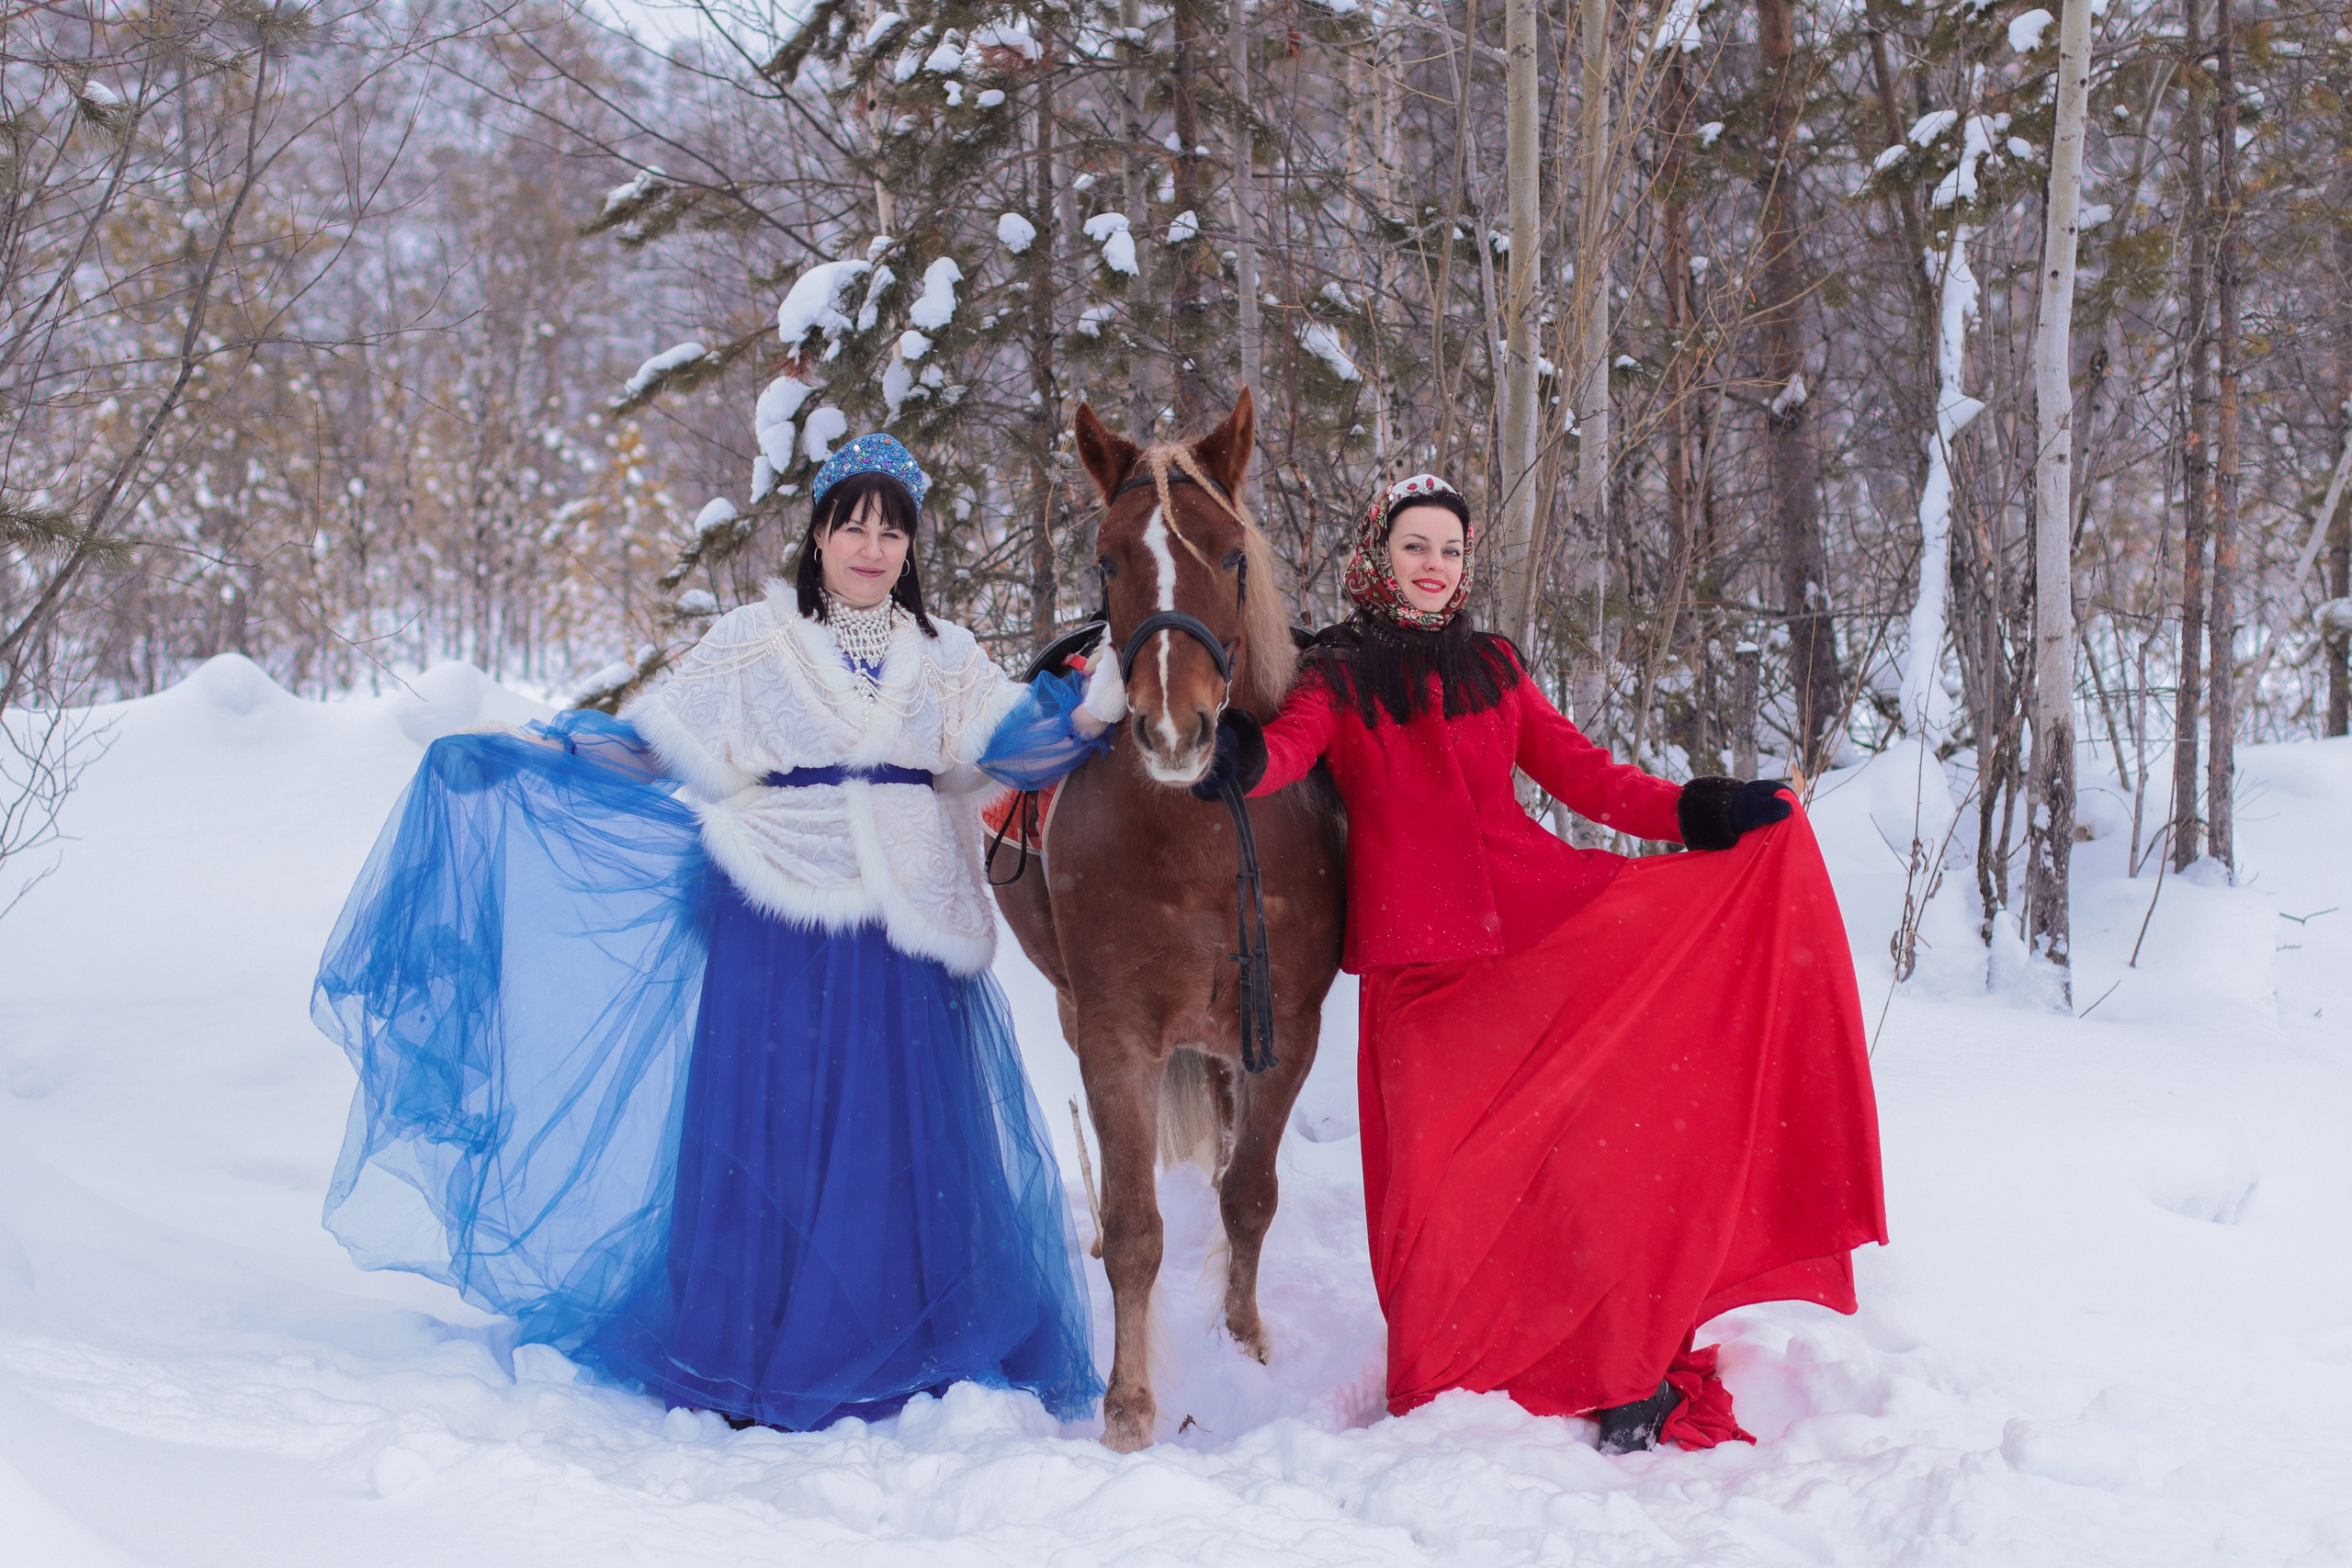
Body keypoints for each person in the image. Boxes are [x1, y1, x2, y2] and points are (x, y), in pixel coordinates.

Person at [315, 434, 1122, 1431]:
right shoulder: (752, 640)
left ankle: (906, 1342)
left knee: (900, 1139)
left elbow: (1016, 745)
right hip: (777, 916)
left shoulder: (946, 656)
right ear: (818, 533)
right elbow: (654, 744)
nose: (871, 546)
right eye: (851, 523)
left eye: (892, 529)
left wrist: (1096, 707)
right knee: (776, 1127)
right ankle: (762, 1341)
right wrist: (540, 749)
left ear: (911, 547)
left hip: (905, 926)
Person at [1195, 472, 1888, 1453]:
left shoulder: (1495, 667)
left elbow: (1589, 778)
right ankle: (1454, 1383)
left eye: (1448, 550)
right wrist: (1229, 759)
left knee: (1579, 1167)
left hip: (1542, 935)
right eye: (1414, 547)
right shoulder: (1336, 676)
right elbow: (1288, 753)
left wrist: (1706, 808)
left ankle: (1613, 1361)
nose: (1433, 567)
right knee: (1434, 1200)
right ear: (1376, 556)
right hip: (1422, 976)